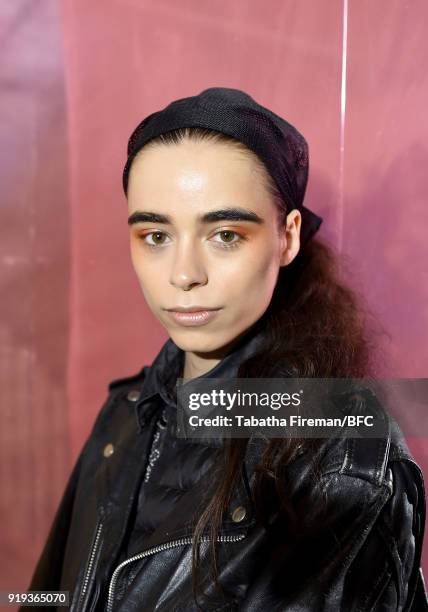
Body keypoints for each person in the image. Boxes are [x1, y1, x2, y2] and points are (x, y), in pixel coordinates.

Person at [24, 88, 427, 611]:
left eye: (226, 235)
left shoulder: (343, 454)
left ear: (287, 237)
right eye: (155, 236)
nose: (184, 275)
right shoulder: (125, 412)